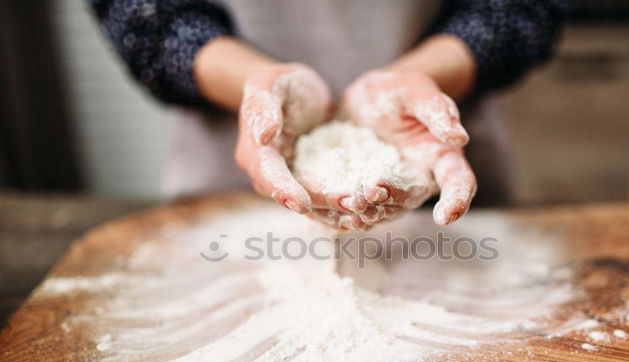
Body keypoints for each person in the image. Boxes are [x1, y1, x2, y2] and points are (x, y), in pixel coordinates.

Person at [90, 0, 566, 230]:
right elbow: (139, 14)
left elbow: (526, 7)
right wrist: (255, 85)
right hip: (231, 182)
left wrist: (420, 75)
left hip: (431, 149)